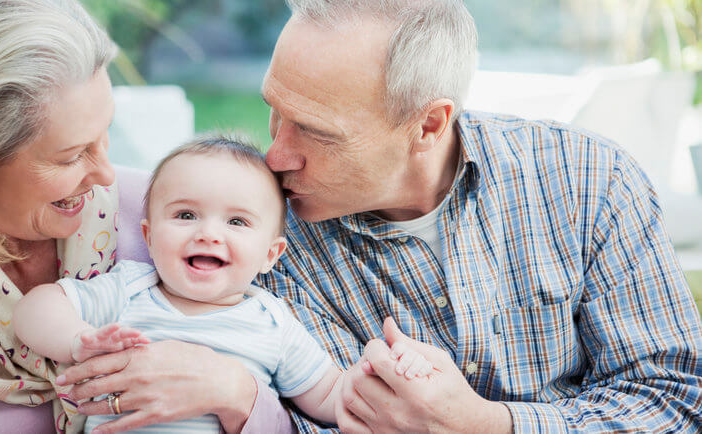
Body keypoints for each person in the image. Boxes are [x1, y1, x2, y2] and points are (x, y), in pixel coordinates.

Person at [257, 0, 702, 432]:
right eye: (275, 112)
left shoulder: (589, 180)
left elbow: (674, 400)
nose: (274, 157)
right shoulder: (260, 242)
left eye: (315, 132)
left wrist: (485, 425)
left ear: (428, 125)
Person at [0, 1, 292, 433]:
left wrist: (237, 394)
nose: (106, 175)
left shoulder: (176, 215)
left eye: (105, 136)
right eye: (71, 156)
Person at [14, 137, 434, 432]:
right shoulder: (129, 290)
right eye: (185, 215)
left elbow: (331, 397)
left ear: (270, 254)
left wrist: (385, 370)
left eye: (236, 221)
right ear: (148, 236)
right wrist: (77, 340)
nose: (208, 234)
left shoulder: (273, 322)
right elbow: (36, 308)